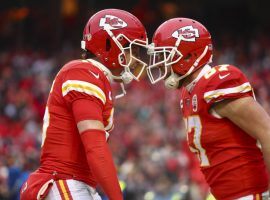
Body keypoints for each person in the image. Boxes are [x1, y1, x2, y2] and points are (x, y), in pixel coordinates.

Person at [20, 8, 148, 200]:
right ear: (110, 45)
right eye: (133, 49)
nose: (136, 57)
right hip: (64, 180)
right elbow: (94, 147)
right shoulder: (83, 72)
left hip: (77, 183)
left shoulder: (94, 76)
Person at [146, 17, 270, 200]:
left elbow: (266, 132)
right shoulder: (189, 93)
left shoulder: (217, 82)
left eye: (166, 56)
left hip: (248, 194)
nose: (161, 63)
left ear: (189, 55)